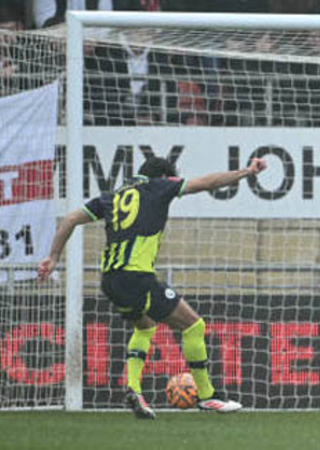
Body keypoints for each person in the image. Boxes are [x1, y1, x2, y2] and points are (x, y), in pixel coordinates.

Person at [38, 156, 268, 417]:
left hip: (110, 280)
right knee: (194, 325)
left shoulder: (111, 197)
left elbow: (69, 219)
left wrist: (54, 256)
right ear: (164, 177)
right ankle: (207, 396)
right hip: (137, 277)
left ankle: (134, 388)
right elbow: (206, 182)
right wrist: (246, 172)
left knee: (145, 326)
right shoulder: (159, 187)